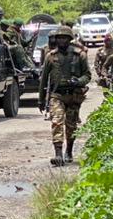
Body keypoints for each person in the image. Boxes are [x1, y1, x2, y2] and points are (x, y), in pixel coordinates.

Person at [37, 26, 90, 166]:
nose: (61, 40)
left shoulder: (80, 55)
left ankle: (69, 151)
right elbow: (44, 79)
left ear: (69, 39)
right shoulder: (51, 56)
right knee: (57, 121)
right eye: (59, 38)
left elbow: (88, 75)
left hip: (74, 96)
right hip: (57, 95)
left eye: (64, 38)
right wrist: (41, 100)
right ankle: (58, 154)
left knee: (71, 126)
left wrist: (78, 81)